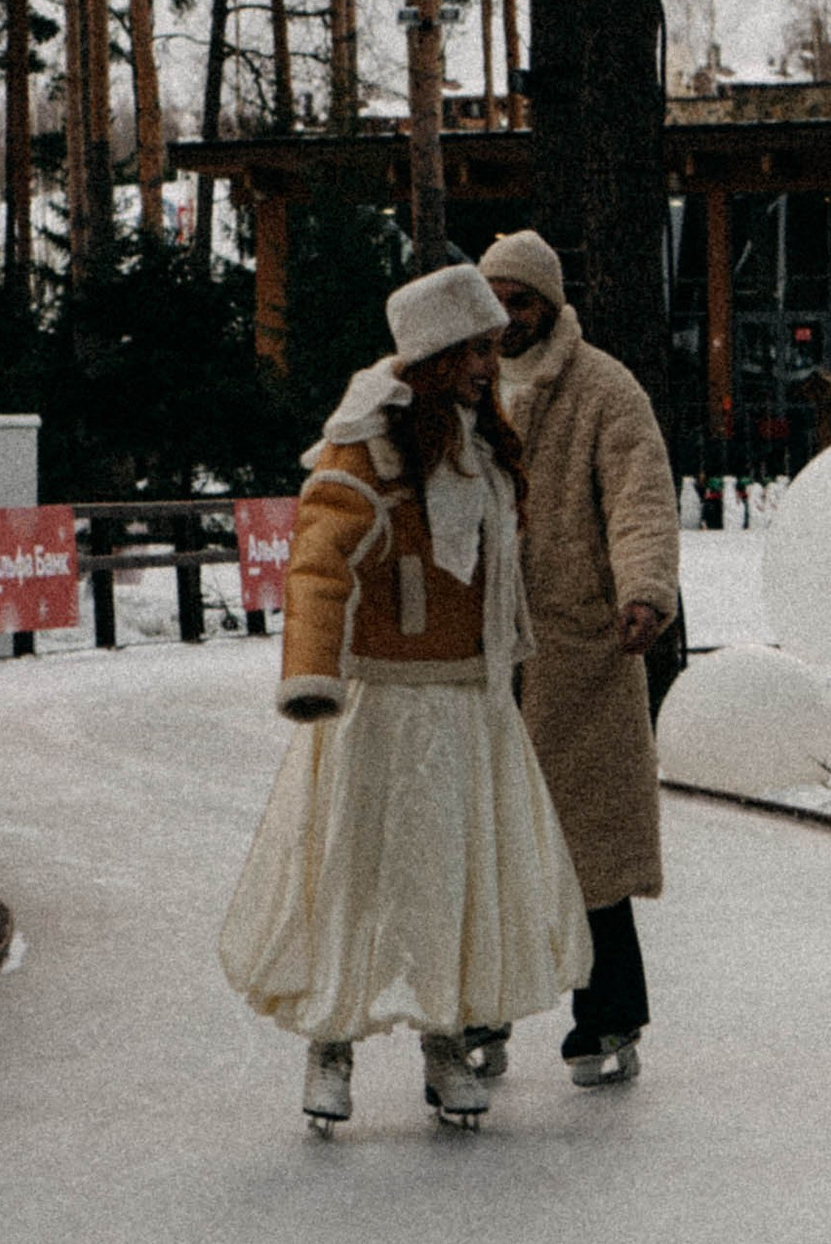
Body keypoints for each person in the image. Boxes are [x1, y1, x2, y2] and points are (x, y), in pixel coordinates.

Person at [218, 261, 589, 1133]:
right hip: (380, 705)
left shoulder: (482, 445)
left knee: (452, 879)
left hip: (466, 702)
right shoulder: (368, 447)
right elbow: (318, 564)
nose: (490, 366)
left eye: (493, 349)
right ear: (435, 355)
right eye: (476, 350)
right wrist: (312, 674)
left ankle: (446, 1040)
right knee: (352, 875)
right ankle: (330, 1044)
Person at [472, 230, 681, 1089]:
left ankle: (608, 1016)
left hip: (576, 648)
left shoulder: (603, 389)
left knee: (587, 845)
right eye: (494, 301)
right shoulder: (462, 384)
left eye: (521, 301)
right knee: (480, 844)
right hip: (479, 647)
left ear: (551, 304)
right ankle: (473, 1016)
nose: (506, 317)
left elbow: (640, 498)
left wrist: (644, 592)